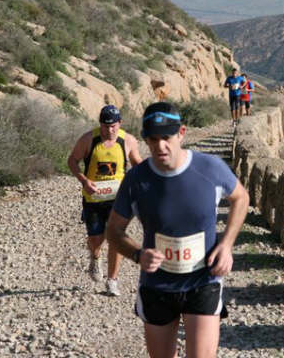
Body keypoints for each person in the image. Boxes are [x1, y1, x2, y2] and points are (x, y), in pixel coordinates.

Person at [106, 102, 249, 358]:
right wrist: (138, 254)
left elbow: (241, 198)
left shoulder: (210, 168)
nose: (160, 146)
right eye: (152, 139)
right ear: (145, 140)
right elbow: (114, 231)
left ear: (181, 133)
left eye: (166, 137)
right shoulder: (137, 180)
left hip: (203, 280)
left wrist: (226, 245)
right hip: (157, 286)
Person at [68, 105, 142, 296]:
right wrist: (84, 181)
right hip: (93, 198)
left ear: (120, 124)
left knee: (116, 238)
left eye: (113, 126)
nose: (109, 131)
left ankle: (112, 281)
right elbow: (72, 161)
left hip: (118, 200)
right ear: (100, 124)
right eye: (105, 126)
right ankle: (95, 256)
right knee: (96, 238)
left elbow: (139, 166)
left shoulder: (128, 141)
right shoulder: (88, 139)